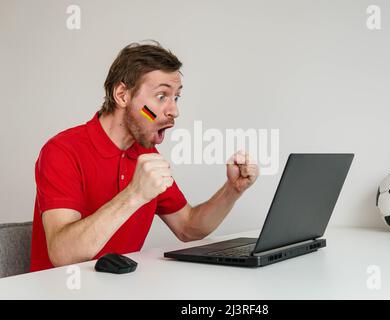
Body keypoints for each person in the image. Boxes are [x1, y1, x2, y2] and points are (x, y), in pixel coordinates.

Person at [29, 41, 259, 271]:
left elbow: (189, 228)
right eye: (161, 96)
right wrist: (135, 194)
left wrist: (232, 190)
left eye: (176, 97)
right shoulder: (62, 151)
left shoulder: (145, 154)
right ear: (122, 95)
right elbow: (62, 253)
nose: (174, 111)